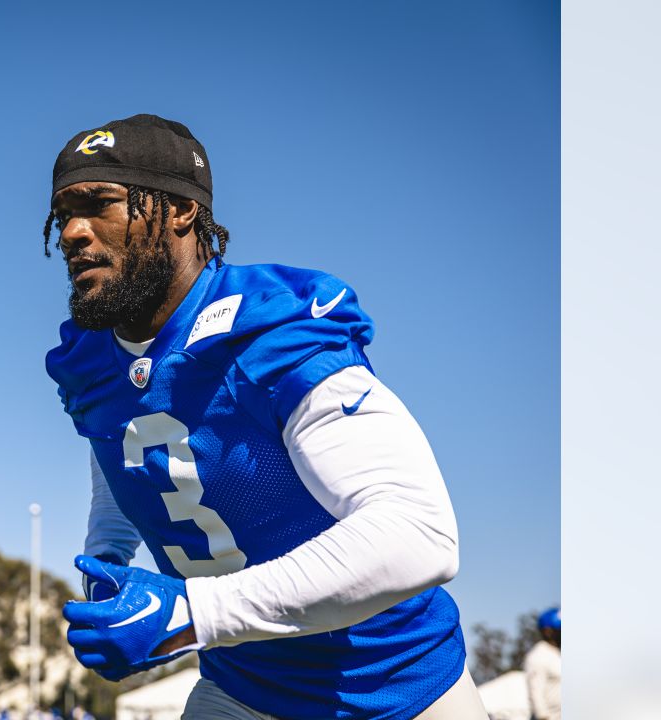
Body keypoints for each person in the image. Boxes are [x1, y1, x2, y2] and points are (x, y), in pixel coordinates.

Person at [44, 114, 489, 720]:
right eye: (63, 210)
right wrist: (108, 562)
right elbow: (123, 455)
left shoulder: (269, 329)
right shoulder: (91, 361)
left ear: (179, 211)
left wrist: (189, 616)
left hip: (397, 687)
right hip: (243, 688)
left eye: (100, 203)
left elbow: (420, 534)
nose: (72, 231)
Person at [524, 607, 561, 720]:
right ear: (548, 631)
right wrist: (543, 717)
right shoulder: (538, 656)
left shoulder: (558, 654)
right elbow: (536, 694)